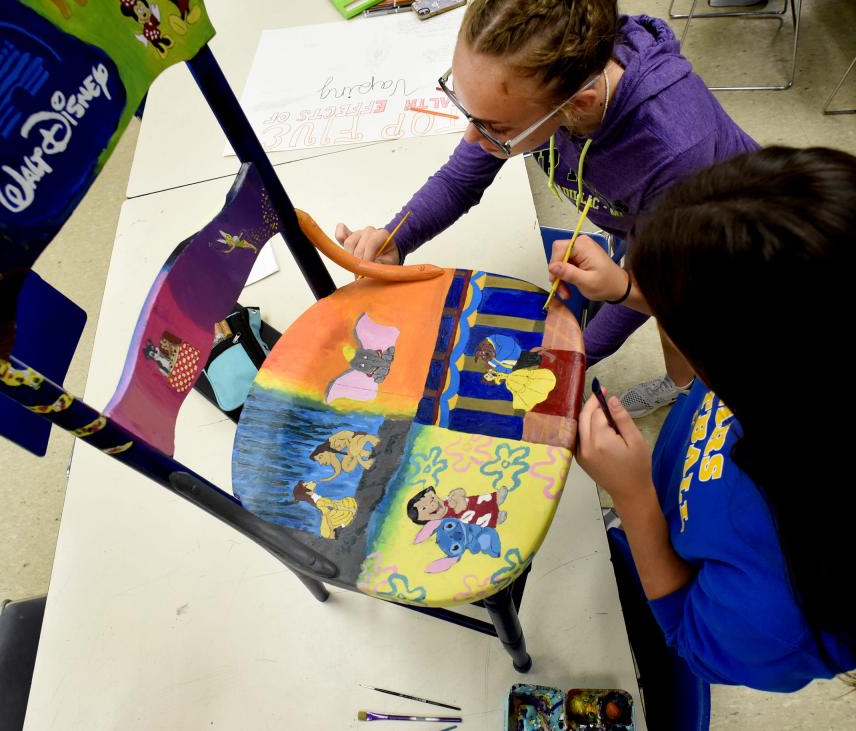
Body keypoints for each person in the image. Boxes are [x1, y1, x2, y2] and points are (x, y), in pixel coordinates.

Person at [336, 0, 757, 417]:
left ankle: (698, 400)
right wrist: (397, 237)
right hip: (648, 221)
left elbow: (643, 290)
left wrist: (567, 359)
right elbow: (462, 177)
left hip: (730, 245)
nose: (473, 137)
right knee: (669, 320)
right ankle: (679, 383)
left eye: (495, 128)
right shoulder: (553, 77)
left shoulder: (671, 151)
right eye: (470, 112)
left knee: (694, 320)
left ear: (579, 105)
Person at [548, 146, 856, 698]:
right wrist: (625, 289)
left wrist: (635, 497)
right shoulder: (812, 357)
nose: (663, 323)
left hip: (662, 540)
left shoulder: (781, 609)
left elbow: (688, 637)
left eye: (677, 320)